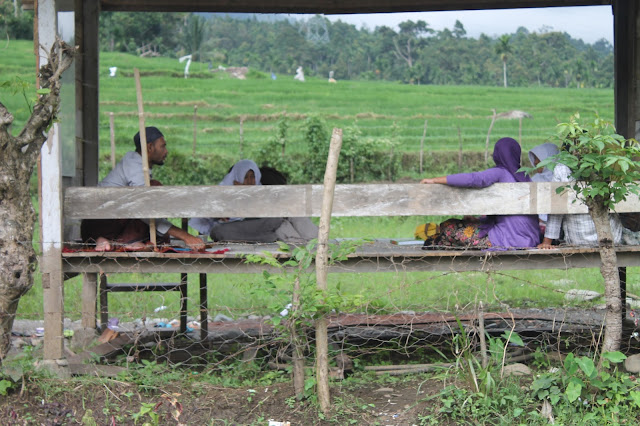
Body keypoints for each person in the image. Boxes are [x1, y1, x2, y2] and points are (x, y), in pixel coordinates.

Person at [81, 127, 205, 252]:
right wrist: (185, 236)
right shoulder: (135, 167)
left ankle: (111, 241)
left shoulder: (135, 163)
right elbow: (145, 210)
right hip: (99, 224)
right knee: (154, 187)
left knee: (151, 196)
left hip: (97, 227)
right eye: (162, 146)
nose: (166, 151)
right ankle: (120, 241)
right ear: (150, 147)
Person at [420, 137, 540, 249]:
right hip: (531, 238)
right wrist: (480, 219)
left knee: (448, 227)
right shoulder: (524, 176)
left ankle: (439, 241)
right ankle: (440, 241)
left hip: (508, 240)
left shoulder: (500, 173)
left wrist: (435, 180)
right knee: (454, 225)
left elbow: (473, 179)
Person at [189, 162, 318, 243]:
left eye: (252, 177)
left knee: (284, 218)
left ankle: (314, 241)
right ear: (236, 178)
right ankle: (277, 238)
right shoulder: (223, 192)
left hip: (265, 223)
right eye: (245, 177)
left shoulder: (260, 191)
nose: (250, 181)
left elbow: (273, 209)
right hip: (240, 229)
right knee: (218, 231)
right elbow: (199, 218)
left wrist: (248, 196)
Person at [537, 158, 623, 249]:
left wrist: (547, 242)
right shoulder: (606, 161)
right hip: (611, 237)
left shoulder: (562, 168)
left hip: (578, 239)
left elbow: (557, 206)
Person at [528, 143, 560, 231]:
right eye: (534, 158)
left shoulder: (561, 178)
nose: (535, 162)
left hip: (558, 225)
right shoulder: (534, 179)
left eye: (539, 159)